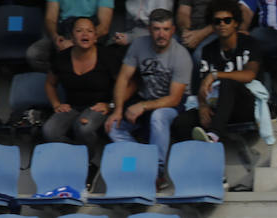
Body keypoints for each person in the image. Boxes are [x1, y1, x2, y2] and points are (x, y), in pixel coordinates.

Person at [106, 9, 193, 180]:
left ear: (173, 30)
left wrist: (143, 106)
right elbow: (123, 78)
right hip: (146, 99)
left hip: (174, 105)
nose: (161, 34)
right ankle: (139, 163)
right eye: (157, 29)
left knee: (158, 116)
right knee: (113, 126)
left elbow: (174, 98)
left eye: (166, 29)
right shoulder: (139, 44)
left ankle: (156, 173)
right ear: (149, 30)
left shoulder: (181, 55)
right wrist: (117, 110)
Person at [170, 0, 260, 145]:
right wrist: (203, 105)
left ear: (235, 23)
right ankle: (196, 158)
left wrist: (216, 75)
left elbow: (249, 75)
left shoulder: (249, 43)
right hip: (216, 107)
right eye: (217, 22)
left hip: (244, 107)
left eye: (227, 20)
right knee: (181, 122)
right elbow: (203, 87)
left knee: (227, 83)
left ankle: (213, 135)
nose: (222, 24)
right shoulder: (208, 50)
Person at [43, 16, 124, 150]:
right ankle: (76, 157)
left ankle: (88, 163)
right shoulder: (61, 58)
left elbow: (127, 84)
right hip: (72, 106)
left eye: (90, 31)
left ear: (95, 37)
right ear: (72, 37)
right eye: (79, 30)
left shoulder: (108, 55)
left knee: (83, 127)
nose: (85, 34)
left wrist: (111, 105)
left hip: (98, 107)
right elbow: (50, 84)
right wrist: (56, 104)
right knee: (49, 131)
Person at [27, 0, 114, 72]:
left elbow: (104, 27)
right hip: (64, 30)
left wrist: (75, 42)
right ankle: (56, 79)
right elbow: (50, 19)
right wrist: (55, 37)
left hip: (90, 32)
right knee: (34, 54)